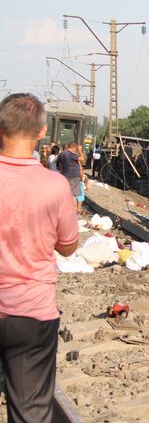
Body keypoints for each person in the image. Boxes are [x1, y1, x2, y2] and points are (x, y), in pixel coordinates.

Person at [0, 93, 79, 423]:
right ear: (43, 130)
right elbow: (68, 246)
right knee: (30, 410)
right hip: (31, 315)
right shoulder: (55, 186)